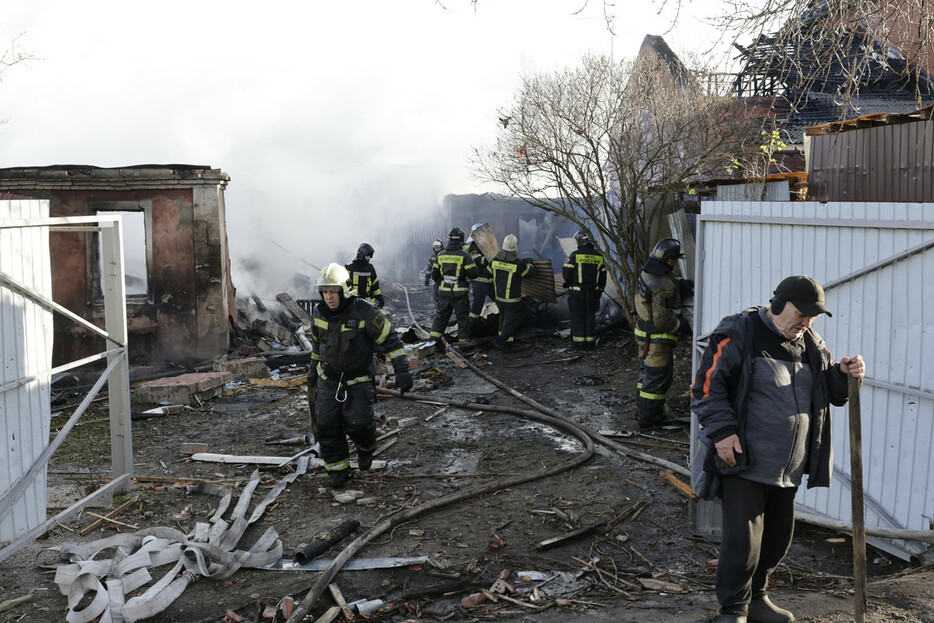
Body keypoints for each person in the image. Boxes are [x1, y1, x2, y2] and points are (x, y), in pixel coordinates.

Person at [691, 275, 865, 623]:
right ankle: (733, 611)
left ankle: (757, 600)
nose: (807, 322)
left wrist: (844, 376)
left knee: (776, 542)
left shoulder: (812, 344)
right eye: (802, 313)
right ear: (778, 304)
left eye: (813, 317)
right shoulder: (740, 334)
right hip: (744, 461)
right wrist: (723, 433)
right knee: (743, 544)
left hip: (789, 467)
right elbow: (706, 388)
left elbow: (827, 392)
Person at [309, 263, 413, 489]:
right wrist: (312, 371)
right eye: (325, 291)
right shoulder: (318, 313)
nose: (329, 297)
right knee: (326, 426)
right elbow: (318, 345)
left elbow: (391, 340)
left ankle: (367, 447)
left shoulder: (364, 311)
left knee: (359, 425)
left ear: (344, 290)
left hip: (357, 381)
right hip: (328, 380)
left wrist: (402, 371)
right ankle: (338, 471)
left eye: (333, 291)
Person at [634, 237, 686, 430]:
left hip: (642, 333)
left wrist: (681, 285)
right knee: (657, 379)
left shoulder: (648, 271)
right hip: (657, 340)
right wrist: (681, 326)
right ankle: (650, 421)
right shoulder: (663, 283)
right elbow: (662, 320)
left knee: (645, 375)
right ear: (671, 260)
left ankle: (642, 412)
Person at [429, 227, 479, 349]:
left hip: (444, 293)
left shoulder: (440, 255)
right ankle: (463, 343)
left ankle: (433, 342)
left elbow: (434, 275)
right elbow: (473, 274)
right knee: (462, 318)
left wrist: (444, 281)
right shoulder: (464, 256)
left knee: (441, 317)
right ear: (461, 240)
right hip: (460, 294)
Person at [562, 229, 608, 348]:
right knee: (590, 316)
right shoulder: (599, 257)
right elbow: (603, 277)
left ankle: (579, 343)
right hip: (593, 293)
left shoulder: (574, 255)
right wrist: (600, 291)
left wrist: (568, 283)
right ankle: (590, 342)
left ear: (579, 242)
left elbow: (566, 274)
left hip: (577, 293)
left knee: (577, 316)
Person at [491, 234, 534, 352]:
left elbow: (488, 271)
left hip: (499, 298)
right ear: (516, 247)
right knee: (510, 322)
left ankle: (503, 341)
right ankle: (505, 345)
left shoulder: (495, 260)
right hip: (512, 300)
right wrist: (529, 263)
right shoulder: (517, 263)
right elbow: (529, 273)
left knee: (503, 319)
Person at [464, 223, 494, 322]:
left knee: (498, 299)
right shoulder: (473, 246)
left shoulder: (485, 244)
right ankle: (472, 324)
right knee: (478, 304)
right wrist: (489, 259)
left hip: (488, 280)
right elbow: (477, 261)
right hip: (479, 281)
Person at [346, 243, 385, 308]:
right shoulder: (350, 268)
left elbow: (375, 286)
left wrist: (380, 298)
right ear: (361, 255)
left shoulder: (370, 268)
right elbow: (344, 286)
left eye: (370, 256)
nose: (369, 258)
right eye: (367, 256)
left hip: (368, 304)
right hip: (353, 303)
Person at [423, 239, 442, 305]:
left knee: (444, 294)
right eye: (435, 247)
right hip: (436, 279)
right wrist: (427, 278)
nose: (437, 249)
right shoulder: (432, 256)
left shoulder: (443, 254)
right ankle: (438, 308)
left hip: (444, 278)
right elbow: (429, 268)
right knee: (436, 294)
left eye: (438, 247)